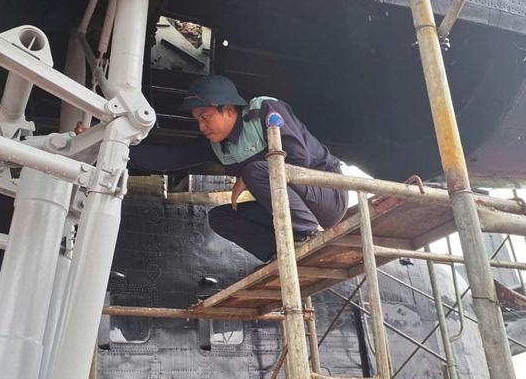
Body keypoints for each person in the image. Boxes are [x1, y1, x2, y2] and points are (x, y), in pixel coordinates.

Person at [83, 75, 348, 263]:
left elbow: (299, 160)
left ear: (229, 110)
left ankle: (308, 235)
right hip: (289, 206)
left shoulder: (263, 111)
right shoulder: (218, 146)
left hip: (326, 195)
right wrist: (105, 143)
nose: (201, 126)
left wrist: (250, 175)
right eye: (197, 120)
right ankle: (280, 254)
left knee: (256, 170)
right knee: (221, 218)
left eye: (205, 117)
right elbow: (166, 159)